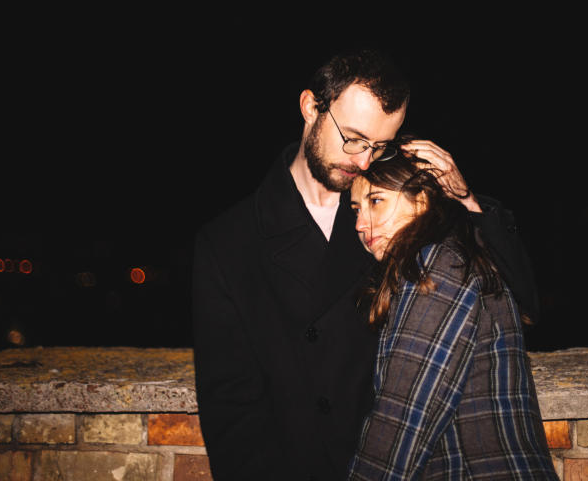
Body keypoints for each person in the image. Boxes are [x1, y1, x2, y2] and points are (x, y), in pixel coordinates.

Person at [192, 49, 541, 480]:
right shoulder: (227, 243)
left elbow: (511, 301)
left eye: (378, 146)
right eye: (354, 138)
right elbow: (232, 411)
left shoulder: (393, 219)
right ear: (310, 108)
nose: (362, 161)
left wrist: (466, 201)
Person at [347, 152, 557, 480]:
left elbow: (403, 418)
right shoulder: (454, 257)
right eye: (356, 208)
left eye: (376, 201)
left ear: (424, 199)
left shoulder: (437, 266)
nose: (360, 224)